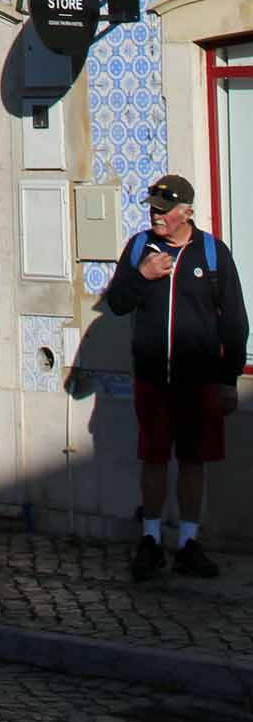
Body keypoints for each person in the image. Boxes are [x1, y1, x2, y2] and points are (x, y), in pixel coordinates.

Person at [105, 171, 247, 580]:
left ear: (186, 211)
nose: (156, 216)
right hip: (152, 378)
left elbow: (235, 321)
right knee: (152, 457)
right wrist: (141, 275)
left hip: (198, 380)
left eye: (164, 210)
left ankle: (188, 542)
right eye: (153, 208)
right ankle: (150, 539)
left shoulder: (212, 254)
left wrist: (228, 379)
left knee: (192, 460)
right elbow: (116, 303)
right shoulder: (139, 249)